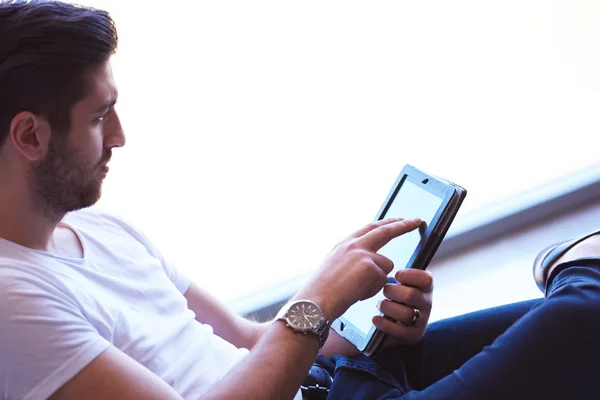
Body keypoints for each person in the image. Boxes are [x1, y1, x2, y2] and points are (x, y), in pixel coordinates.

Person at [1, 1, 599, 399]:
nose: (122, 135)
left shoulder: (103, 229)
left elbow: (251, 342)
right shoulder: (11, 300)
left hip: (328, 381)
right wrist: (318, 297)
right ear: (31, 135)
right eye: (101, 116)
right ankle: (575, 267)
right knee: (580, 318)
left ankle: (574, 271)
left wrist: (366, 324)